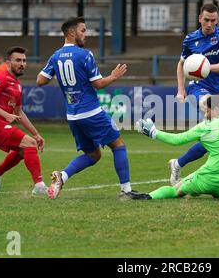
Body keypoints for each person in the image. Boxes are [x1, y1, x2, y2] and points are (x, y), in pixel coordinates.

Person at [36, 16, 149, 200]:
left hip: (73, 116)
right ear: (71, 33)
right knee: (118, 144)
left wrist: (60, 73)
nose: (85, 34)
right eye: (82, 30)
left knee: (93, 154)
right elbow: (97, 84)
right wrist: (113, 76)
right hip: (91, 112)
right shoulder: (85, 54)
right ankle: (126, 191)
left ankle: (61, 177)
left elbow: (40, 81)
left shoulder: (55, 56)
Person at [171, 3, 219, 186]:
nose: (209, 24)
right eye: (206, 20)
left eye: (213, 20)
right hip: (198, 87)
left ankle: (178, 163)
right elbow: (181, 64)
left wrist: (205, 68)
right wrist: (181, 90)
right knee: (213, 121)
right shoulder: (190, 39)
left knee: (214, 135)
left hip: (217, 89)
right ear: (200, 18)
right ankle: (211, 174)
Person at [0, 46, 48, 195]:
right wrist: (5, 114)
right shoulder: (1, 78)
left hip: (0, 124)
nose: (22, 63)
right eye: (18, 60)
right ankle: (39, 186)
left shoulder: (17, 84)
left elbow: (19, 112)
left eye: (24, 60)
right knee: (29, 143)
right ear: (8, 63)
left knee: (26, 147)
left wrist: (36, 134)